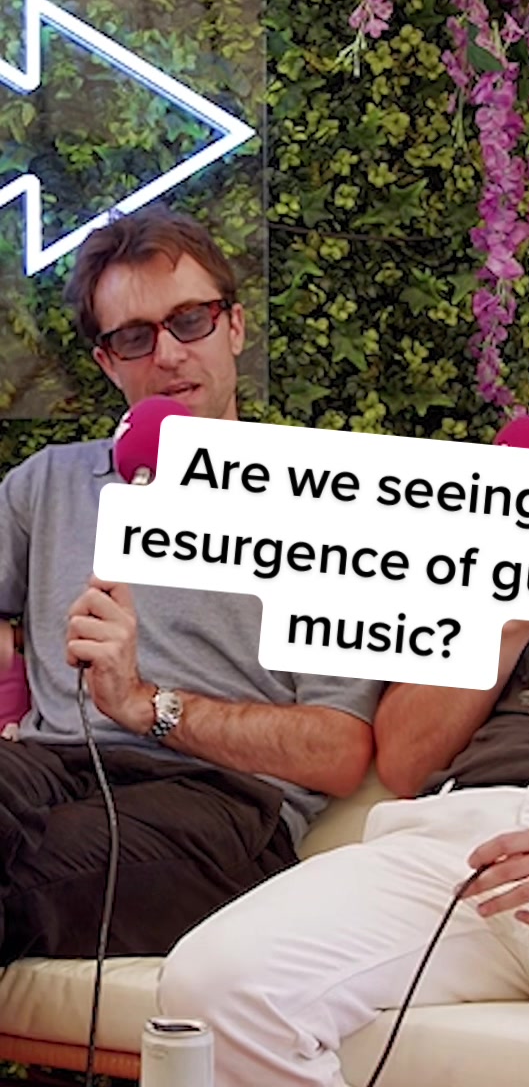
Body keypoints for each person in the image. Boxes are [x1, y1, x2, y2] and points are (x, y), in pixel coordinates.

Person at [159, 226, 529, 1087]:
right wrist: (513, 606)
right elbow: (406, 758)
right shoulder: (500, 515)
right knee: (213, 985)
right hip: (465, 839)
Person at [0, 204, 383, 964]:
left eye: (190, 322)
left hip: (216, 801)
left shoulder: (326, 507)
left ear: (234, 327)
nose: (170, 355)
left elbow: (339, 750)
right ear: (107, 362)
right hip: (45, 769)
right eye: (135, 337)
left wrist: (143, 703)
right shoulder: (48, 484)